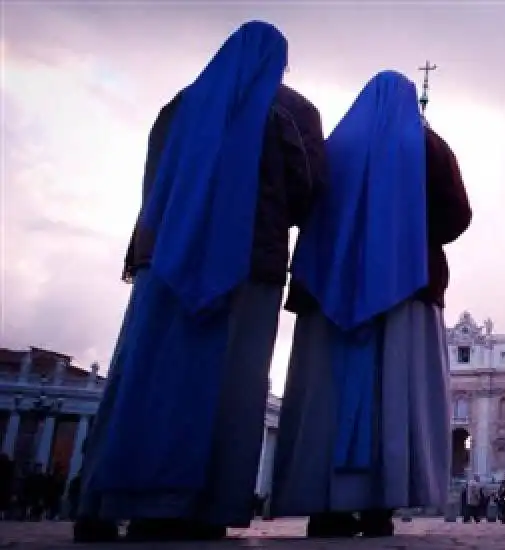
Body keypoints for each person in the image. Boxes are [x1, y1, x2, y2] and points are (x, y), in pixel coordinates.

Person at [72, 20, 326, 543]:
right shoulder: (291, 111)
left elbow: (153, 180)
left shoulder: (181, 105)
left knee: (142, 373)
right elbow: (309, 190)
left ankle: (102, 497)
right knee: (230, 381)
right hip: (247, 263)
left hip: (165, 257)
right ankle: (199, 506)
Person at [271, 70, 472, 538]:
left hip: (330, 287)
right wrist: (404, 236)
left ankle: (325, 504)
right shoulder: (427, 146)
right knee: (393, 392)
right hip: (405, 286)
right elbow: (457, 215)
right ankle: (382, 500)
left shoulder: (334, 146)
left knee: (327, 394)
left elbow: (304, 202)